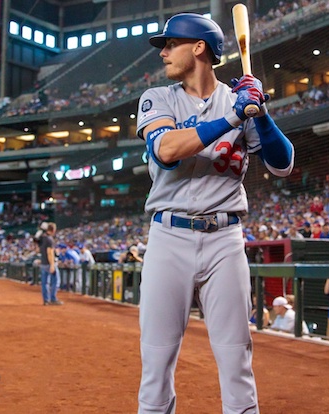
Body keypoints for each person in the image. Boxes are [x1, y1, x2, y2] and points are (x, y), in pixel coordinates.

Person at [135, 13, 294, 414]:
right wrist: (235, 117)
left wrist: (261, 111)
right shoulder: (159, 97)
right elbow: (166, 152)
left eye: (171, 44)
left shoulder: (238, 99)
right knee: (156, 361)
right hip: (169, 236)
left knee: (236, 358)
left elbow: (283, 164)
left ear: (199, 47)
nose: (164, 53)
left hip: (225, 239)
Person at [40, 223, 63, 306]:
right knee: (56, 281)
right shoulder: (50, 239)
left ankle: (46, 300)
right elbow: (49, 253)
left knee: (44, 283)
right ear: (53, 230)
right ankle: (53, 298)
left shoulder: (43, 238)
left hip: (43, 263)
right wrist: (52, 264)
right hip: (49, 263)